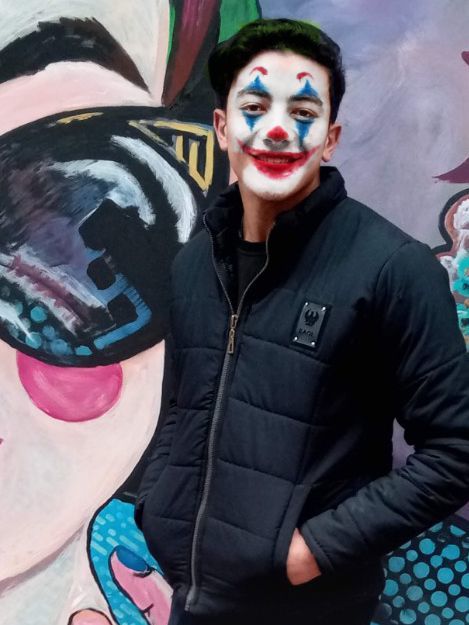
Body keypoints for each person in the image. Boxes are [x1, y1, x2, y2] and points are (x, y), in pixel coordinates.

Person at [135, 18, 469, 625]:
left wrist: (310, 552)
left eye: (304, 112)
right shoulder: (194, 265)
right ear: (222, 127)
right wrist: (156, 509)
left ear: (331, 138)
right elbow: (180, 410)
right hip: (193, 603)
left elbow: (457, 450)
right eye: (255, 107)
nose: (278, 129)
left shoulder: (392, 269)